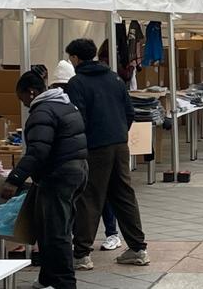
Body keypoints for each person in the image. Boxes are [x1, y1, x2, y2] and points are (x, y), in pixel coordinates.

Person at [63, 39, 149, 269]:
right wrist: (119, 131)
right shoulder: (114, 79)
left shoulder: (76, 83)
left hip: (94, 147)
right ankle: (138, 248)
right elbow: (129, 111)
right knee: (124, 195)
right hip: (120, 144)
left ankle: (81, 253)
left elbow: (77, 119)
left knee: (89, 197)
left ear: (75, 58)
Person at [2, 70, 88, 289]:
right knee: (49, 228)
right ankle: (47, 278)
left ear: (31, 92)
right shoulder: (64, 104)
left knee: (56, 232)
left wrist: (15, 179)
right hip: (77, 170)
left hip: (58, 175)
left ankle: (65, 283)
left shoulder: (42, 112)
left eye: (21, 98)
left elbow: (38, 151)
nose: (22, 104)